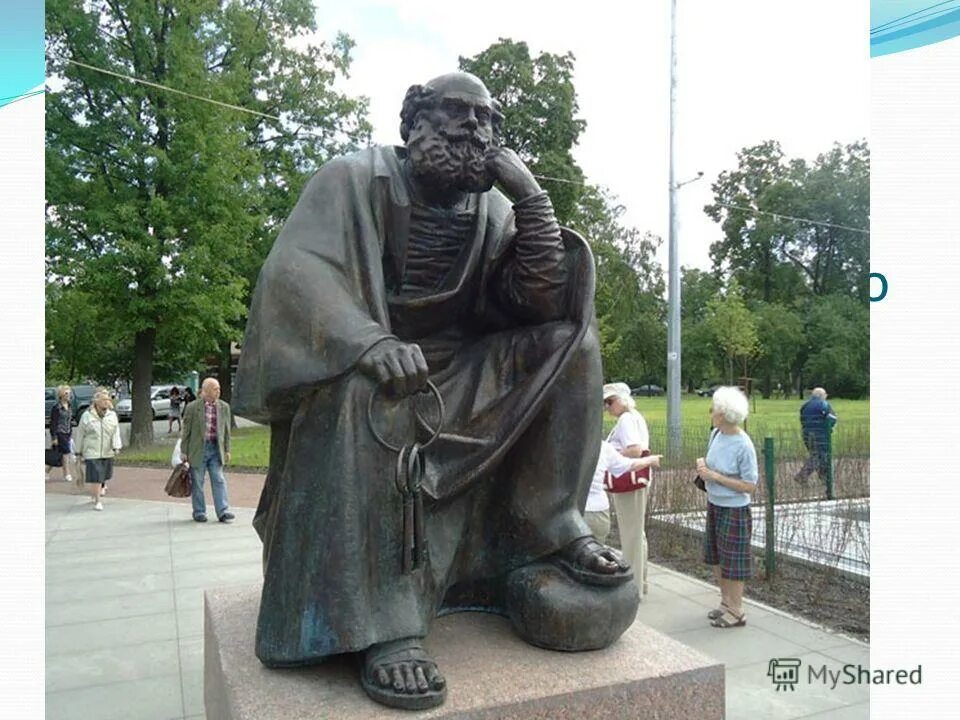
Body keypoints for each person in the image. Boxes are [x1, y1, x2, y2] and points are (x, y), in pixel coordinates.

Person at [234, 71, 633, 710]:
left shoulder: (493, 209)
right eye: (456, 112)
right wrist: (367, 343)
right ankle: (387, 628)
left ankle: (549, 531)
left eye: (488, 119)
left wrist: (530, 198)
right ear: (415, 122)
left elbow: (535, 302)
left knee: (570, 343)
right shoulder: (352, 179)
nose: (475, 128)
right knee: (366, 396)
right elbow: (297, 275)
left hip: (464, 369)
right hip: (372, 366)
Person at [695, 386, 759, 628]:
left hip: (734, 509)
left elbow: (750, 485)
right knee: (717, 557)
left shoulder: (744, 445)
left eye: (714, 409)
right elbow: (712, 466)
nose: (710, 412)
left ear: (723, 414)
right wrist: (703, 467)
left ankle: (737, 610)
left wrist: (716, 477)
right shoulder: (716, 434)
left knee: (734, 561)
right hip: (715, 503)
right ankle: (725, 602)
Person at [601, 381, 653, 597]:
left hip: (628, 480)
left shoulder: (625, 420)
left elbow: (635, 449)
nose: (607, 406)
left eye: (610, 401)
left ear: (621, 400)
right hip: (637, 480)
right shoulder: (634, 416)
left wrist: (611, 456)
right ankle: (641, 581)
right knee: (637, 533)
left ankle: (633, 587)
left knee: (630, 535)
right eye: (605, 402)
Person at [585, 440, 662, 544]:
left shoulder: (559, 445)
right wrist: (650, 460)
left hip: (568, 511)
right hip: (597, 511)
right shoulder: (603, 447)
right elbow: (629, 465)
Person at [181, 378, 234, 524]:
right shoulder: (192, 407)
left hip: (216, 449)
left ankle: (223, 511)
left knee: (219, 479)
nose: (219, 391)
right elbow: (186, 431)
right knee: (198, 481)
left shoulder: (224, 407)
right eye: (215, 388)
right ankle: (199, 512)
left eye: (219, 388)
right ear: (206, 390)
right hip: (198, 450)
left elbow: (227, 431)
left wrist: (227, 449)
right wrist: (184, 451)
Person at [76, 390, 122, 511]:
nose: (106, 402)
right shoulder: (87, 416)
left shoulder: (112, 416)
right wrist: (78, 451)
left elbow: (115, 432)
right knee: (96, 476)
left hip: (107, 451)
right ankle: (97, 500)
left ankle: (95, 493)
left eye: (108, 400)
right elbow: (80, 434)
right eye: (103, 400)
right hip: (92, 451)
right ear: (96, 402)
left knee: (104, 475)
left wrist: (117, 446)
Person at [794, 387, 837, 485]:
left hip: (806, 434)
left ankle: (824, 478)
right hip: (820, 434)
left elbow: (802, 419)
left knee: (817, 455)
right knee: (820, 455)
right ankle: (803, 475)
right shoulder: (824, 405)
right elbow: (832, 418)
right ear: (822, 395)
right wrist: (829, 428)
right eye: (825, 395)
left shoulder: (805, 406)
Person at [47, 385, 74, 483]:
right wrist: (54, 437)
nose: (68, 395)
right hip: (59, 432)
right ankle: (66, 473)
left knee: (57, 454)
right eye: (66, 393)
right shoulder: (56, 407)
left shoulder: (70, 405)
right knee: (66, 453)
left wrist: (70, 431)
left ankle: (46, 471)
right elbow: (53, 423)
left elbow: (70, 420)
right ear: (61, 395)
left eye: (69, 393)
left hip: (67, 432)